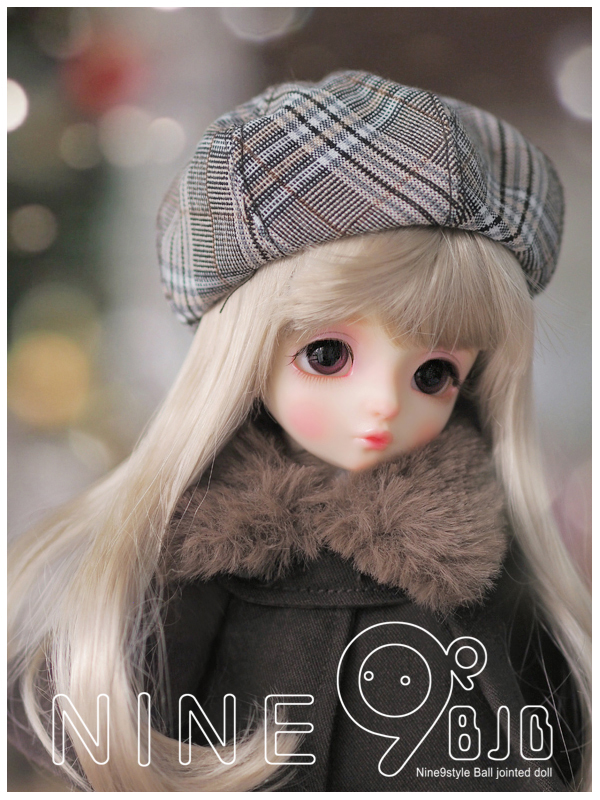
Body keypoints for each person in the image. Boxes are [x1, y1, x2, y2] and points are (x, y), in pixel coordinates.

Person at [8, 71, 590, 791]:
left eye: (433, 373)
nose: (383, 405)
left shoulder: (487, 568)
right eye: (327, 356)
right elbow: (93, 723)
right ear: (244, 358)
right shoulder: (196, 560)